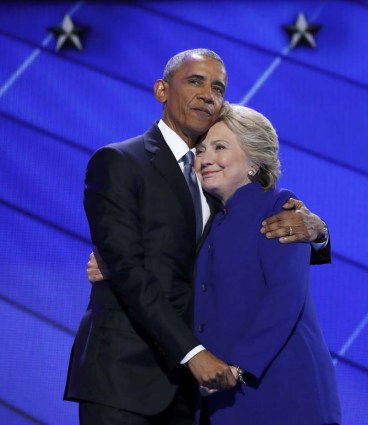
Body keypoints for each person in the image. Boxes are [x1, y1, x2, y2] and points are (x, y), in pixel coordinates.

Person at [65, 48, 330, 424]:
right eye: (195, 81)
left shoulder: (217, 184)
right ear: (161, 90)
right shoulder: (120, 162)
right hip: (126, 378)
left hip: (198, 392)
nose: (209, 93)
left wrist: (319, 232)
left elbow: (256, 246)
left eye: (218, 88)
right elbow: (127, 265)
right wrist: (192, 353)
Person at [193, 103, 341, 424]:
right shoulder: (209, 220)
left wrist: (239, 367)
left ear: (254, 162)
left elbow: (285, 296)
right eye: (200, 149)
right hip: (223, 400)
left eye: (219, 147)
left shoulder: (280, 207)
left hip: (281, 394)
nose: (205, 158)